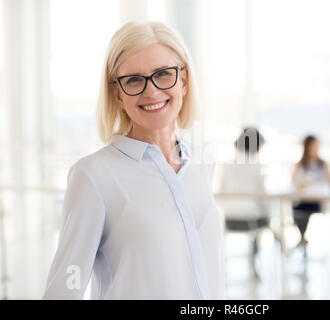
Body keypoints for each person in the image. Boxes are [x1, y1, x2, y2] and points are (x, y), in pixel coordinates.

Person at [43, 21, 224, 299]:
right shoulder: (93, 176)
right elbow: (64, 290)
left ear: (184, 81)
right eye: (134, 80)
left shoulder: (202, 164)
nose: (151, 92)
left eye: (163, 74)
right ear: (117, 93)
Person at [219, 127, 269, 278]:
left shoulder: (227, 165)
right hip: (252, 221)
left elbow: (221, 192)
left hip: (230, 219)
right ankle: (255, 266)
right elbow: (263, 198)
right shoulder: (256, 166)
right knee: (267, 220)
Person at [292, 135, 330, 254]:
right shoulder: (300, 165)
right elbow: (294, 183)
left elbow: (329, 183)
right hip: (303, 200)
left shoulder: (323, 164)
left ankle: (303, 239)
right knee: (297, 209)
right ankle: (302, 237)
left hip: (318, 201)